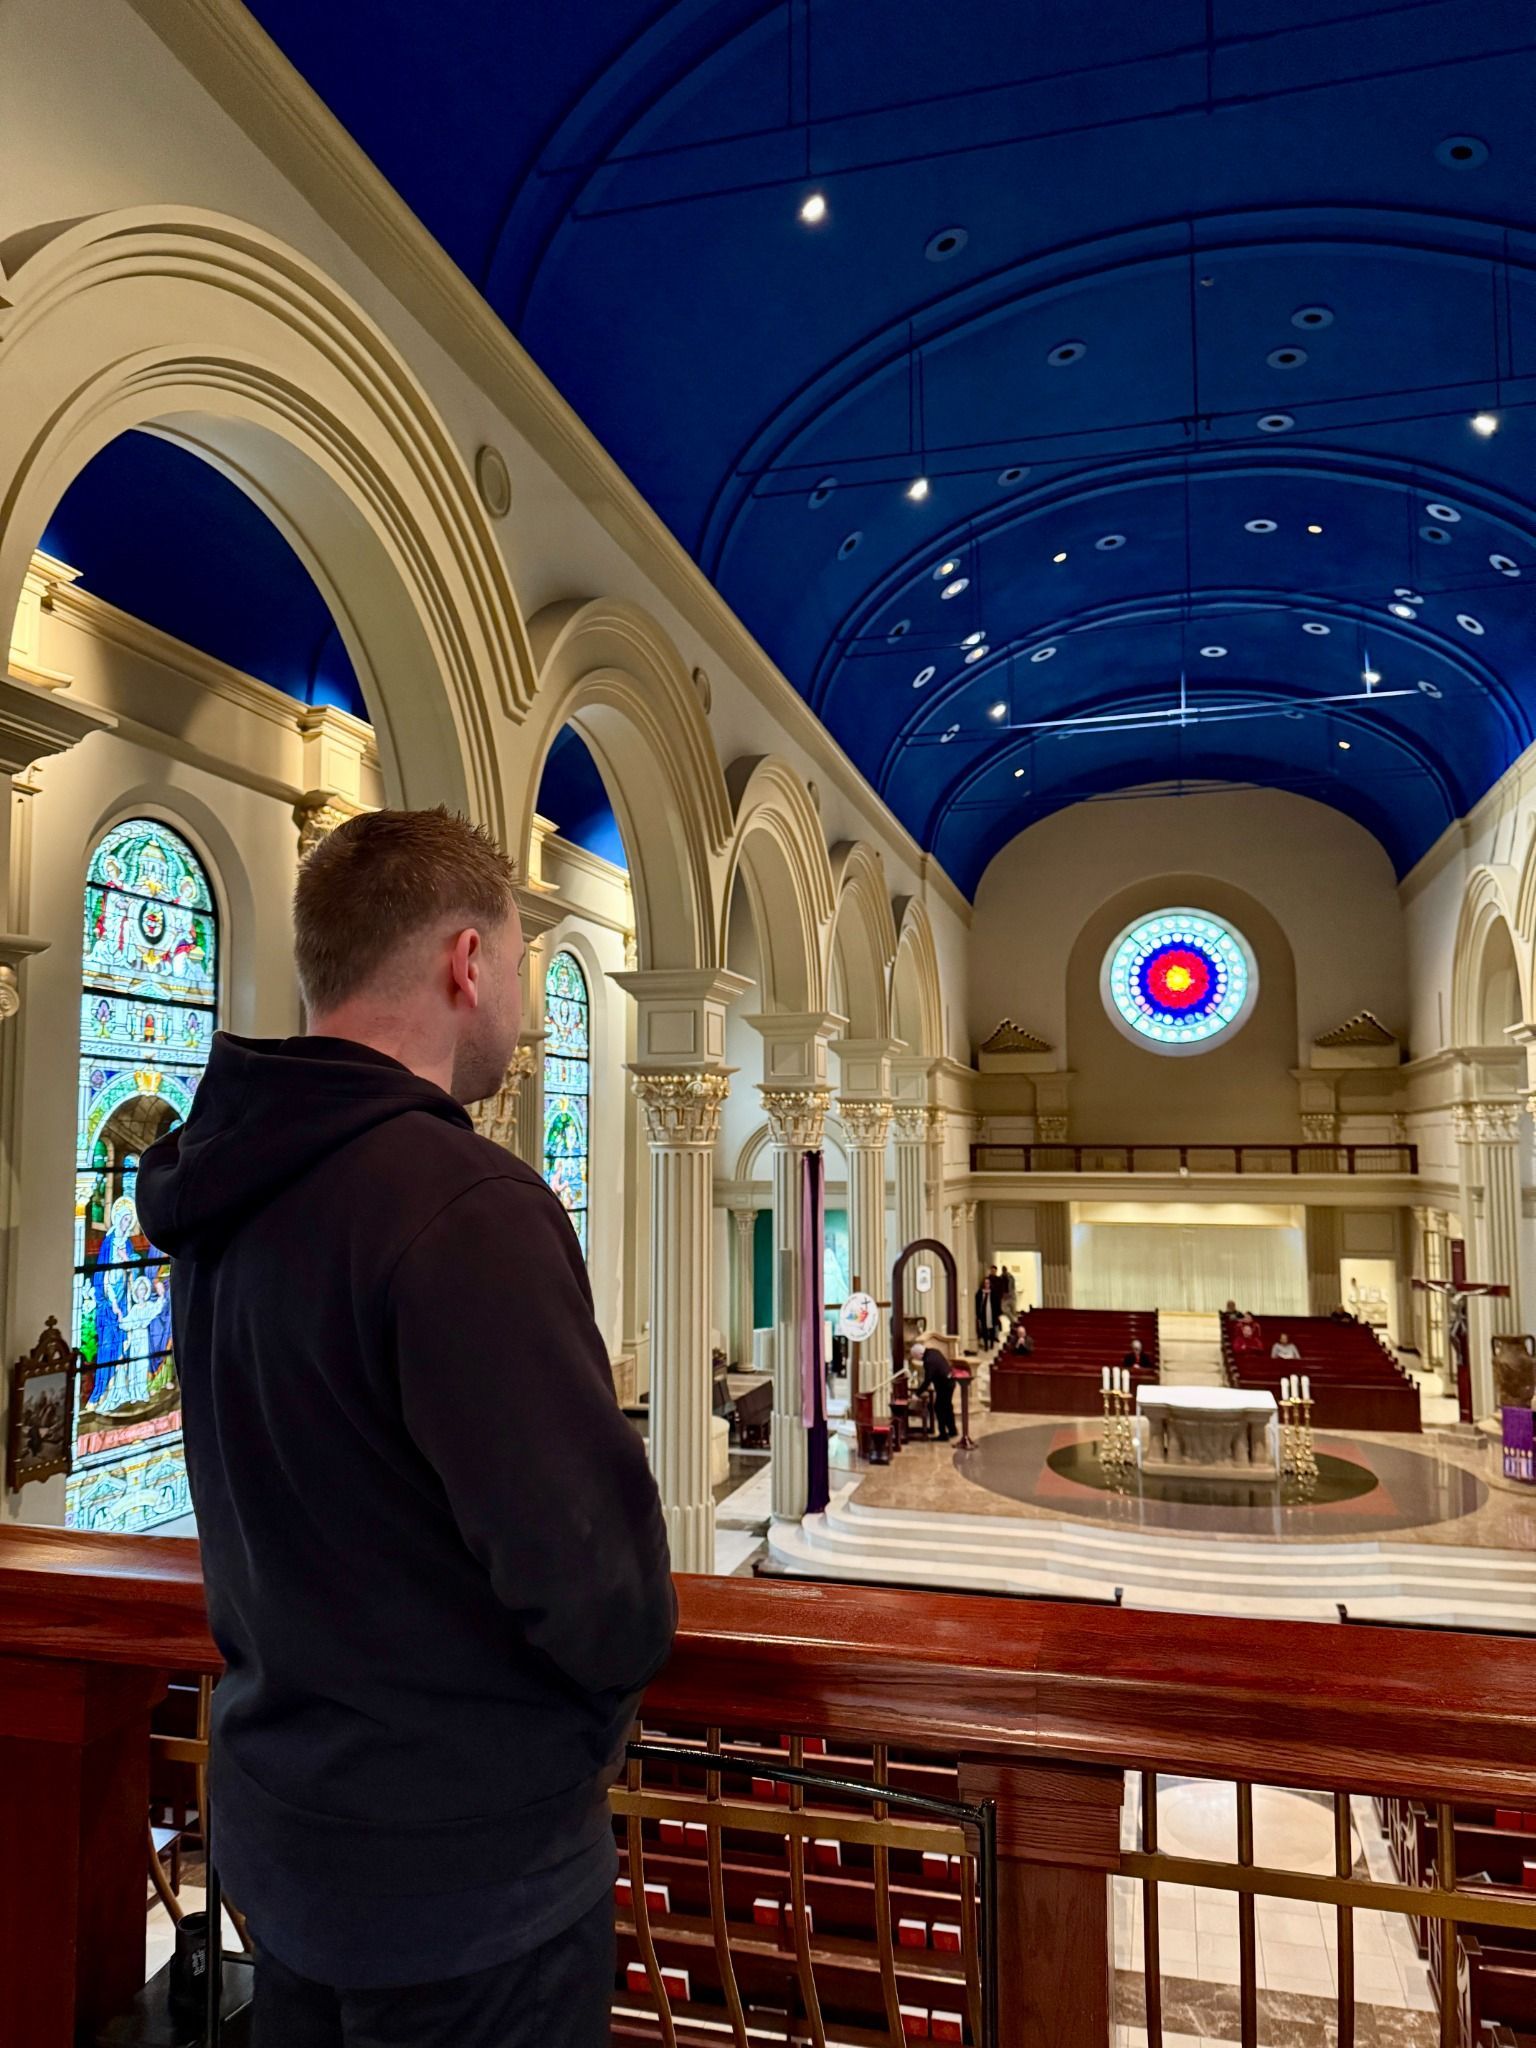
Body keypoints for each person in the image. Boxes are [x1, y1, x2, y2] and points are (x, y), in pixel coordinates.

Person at [139, 809, 675, 2048]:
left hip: (292, 1842)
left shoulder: (227, 1178)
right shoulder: (464, 1203)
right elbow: (598, 1587)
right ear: (467, 961)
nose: (530, 1008)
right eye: (531, 962)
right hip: (465, 1882)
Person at [913, 1339, 957, 1441]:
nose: (917, 1359)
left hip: (944, 1385)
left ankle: (943, 1435)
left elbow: (928, 1380)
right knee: (947, 1407)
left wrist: (917, 1394)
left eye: (916, 1357)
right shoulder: (934, 1351)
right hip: (950, 1382)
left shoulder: (928, 1361)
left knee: (939, 1408)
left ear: (920, 1354)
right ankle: (952, 1430)